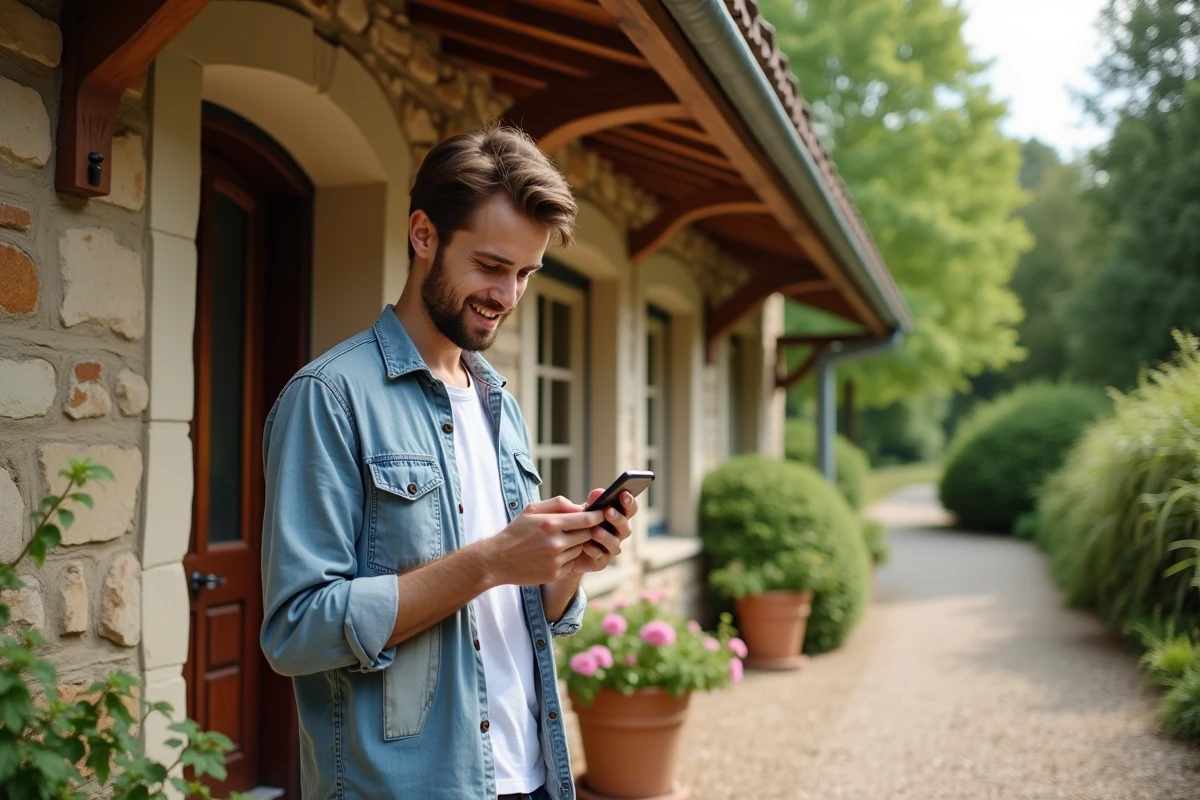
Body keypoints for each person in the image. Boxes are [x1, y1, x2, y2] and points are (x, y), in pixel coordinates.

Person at [259, 123, 638, 800]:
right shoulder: (329, 397)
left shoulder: (501, 405)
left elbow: (512, 613)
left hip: (529, 777)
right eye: (492, 266)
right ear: (424, 235)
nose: (508, 296)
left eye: (525, 274)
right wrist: (489, 560)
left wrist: (566, 569)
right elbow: (295, 632)